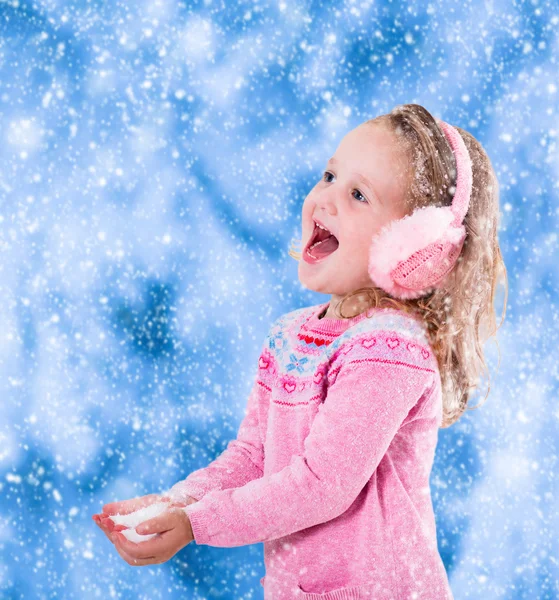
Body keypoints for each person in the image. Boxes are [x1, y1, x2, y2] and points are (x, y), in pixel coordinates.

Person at [92, 103, 507, 599]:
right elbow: (252, 455)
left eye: (358, 194)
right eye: (330, 175)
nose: (327, 198)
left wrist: (196, 523)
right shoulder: (289, 337)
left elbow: (320, 484)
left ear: (412, 248)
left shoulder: (391, 351)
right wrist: (176, 504)